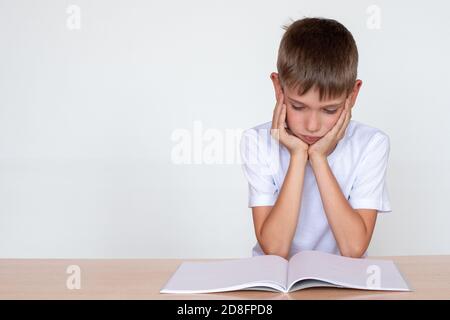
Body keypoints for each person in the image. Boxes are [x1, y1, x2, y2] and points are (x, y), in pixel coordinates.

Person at [240, 17, 392, 259]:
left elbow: (353, 248)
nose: (312, 126)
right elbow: (275, 249)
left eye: (329, 110)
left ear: (352, 94)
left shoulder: (371, 144)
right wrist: (298, 155)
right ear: (279, 89)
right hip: (276, 284)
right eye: (298, 107)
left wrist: (319, 158)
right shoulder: (257, 141)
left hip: (341, 286)